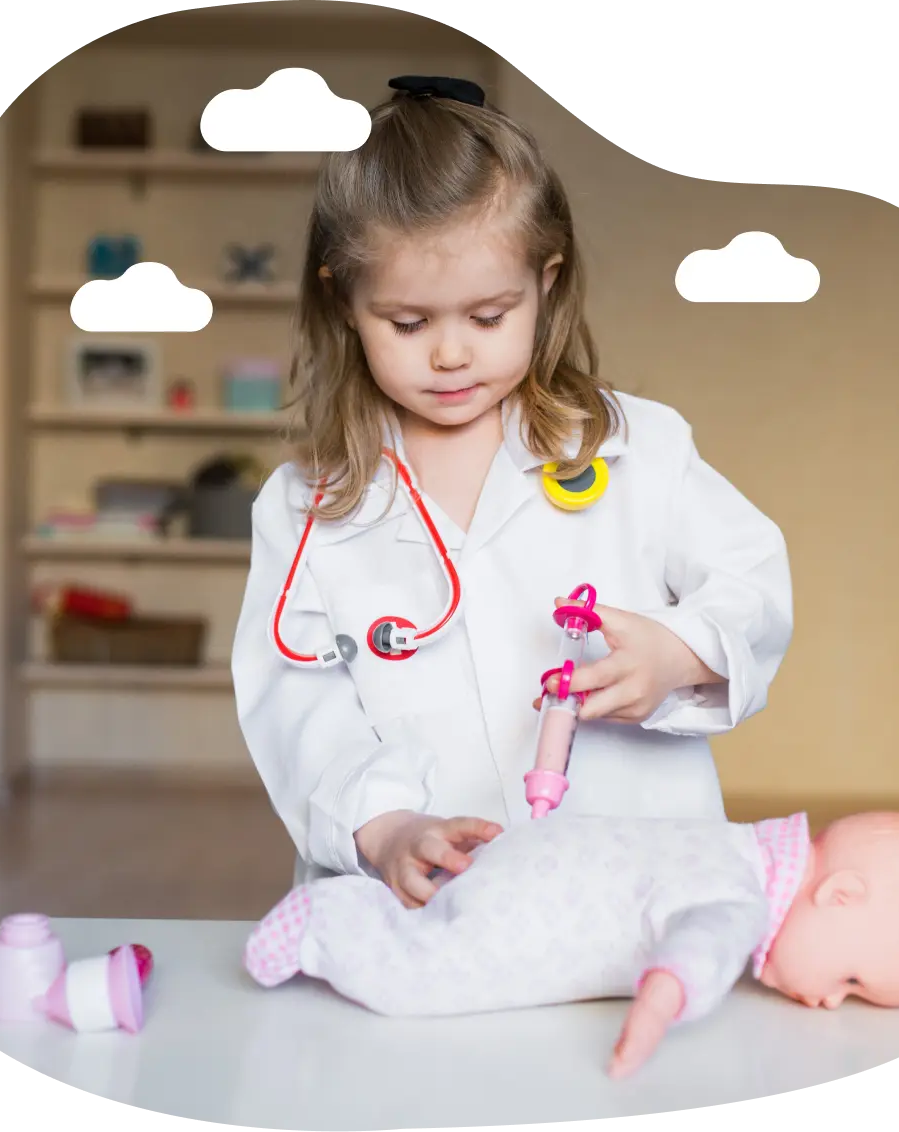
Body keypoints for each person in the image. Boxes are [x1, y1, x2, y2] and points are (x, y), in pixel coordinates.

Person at [230, 75, 794, 904]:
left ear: (547, 283)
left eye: (489, 316)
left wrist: (682, 653)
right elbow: (297, 707)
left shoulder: (636, 447)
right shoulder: (305, 506)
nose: (450, 355)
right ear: (343, 302)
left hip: (630, 877)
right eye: (409, 323)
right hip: (423, 891)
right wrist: (383, 828)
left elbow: (752, 583)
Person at [242, 809, 899, 1079]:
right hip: (526, 905)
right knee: (421, 980)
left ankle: (366, 910)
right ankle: (327, 921)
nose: (827, 1000)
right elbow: (704, 942)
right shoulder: (741, 897)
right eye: (850, 978)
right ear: (837, 895)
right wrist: (666, 998)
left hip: (529, 853)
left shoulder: (735, 845)